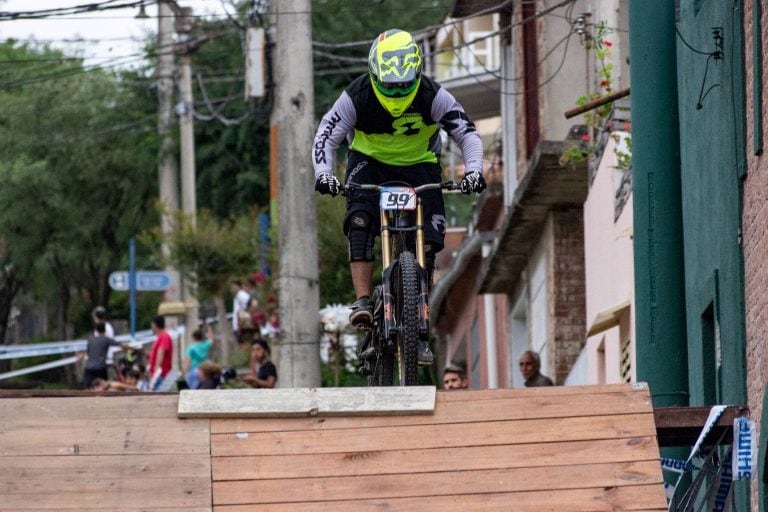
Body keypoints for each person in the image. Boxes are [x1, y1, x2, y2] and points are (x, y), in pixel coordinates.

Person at [312, 28, 486, 365]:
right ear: (375, 75)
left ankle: (418, 315)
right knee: (360, 220)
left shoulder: (434, 95)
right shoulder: (357, 95)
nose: (397, 91)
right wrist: (324, 175)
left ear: (418, 73)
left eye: (405, 84)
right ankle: (363, 301)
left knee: (433, 236)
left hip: (419, 164)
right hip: (369, 162)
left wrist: (474, 170)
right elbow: (326, 135)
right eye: (390, 85)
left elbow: (467, 133)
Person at [78, 322, 129, 389]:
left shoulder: (90, 340)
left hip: (89, 367)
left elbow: (87, 352)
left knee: (87, 387)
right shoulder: (106, 339)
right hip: (100, 367)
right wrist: (130, 347)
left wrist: (81, 356)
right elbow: (120, 345)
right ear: (105, 330)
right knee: (103, 387)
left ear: (96, 330)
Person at [183, 324, 214, 390]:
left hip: (194, 371)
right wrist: (209, 328)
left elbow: (188, 361)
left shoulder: (191, 348)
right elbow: (211, 339)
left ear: (193, 337)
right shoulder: (205, 345)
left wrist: (185, 372)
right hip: (204, 370)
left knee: (194, 390)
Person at [147, 315, 173, 391]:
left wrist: (156, 368)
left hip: (160, 374)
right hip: (159, 373)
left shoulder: (164, 336)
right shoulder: (160, 337)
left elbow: (161, 352)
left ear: (154, 325)